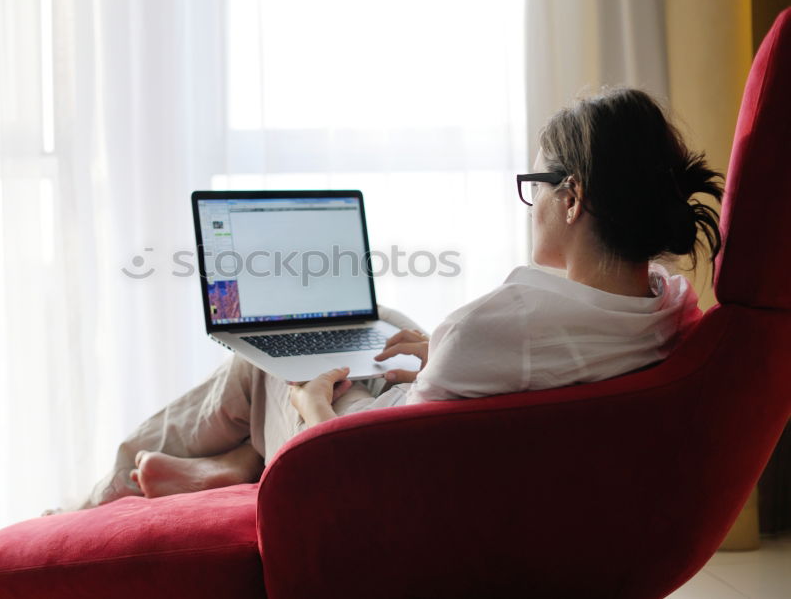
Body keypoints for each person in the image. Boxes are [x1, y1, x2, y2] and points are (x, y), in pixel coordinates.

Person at [58, 87, 724, 511]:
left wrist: (312, 403)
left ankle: (97, 499)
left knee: (265, 358)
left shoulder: (497, 328)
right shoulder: (667, 306)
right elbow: (519, 365)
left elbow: (369, 479)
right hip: (437, 419)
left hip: (354, 446)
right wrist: (442, 351)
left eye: (537, 185)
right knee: (380, 325)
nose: (532, 205)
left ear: (573, 197)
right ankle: (234, 464)